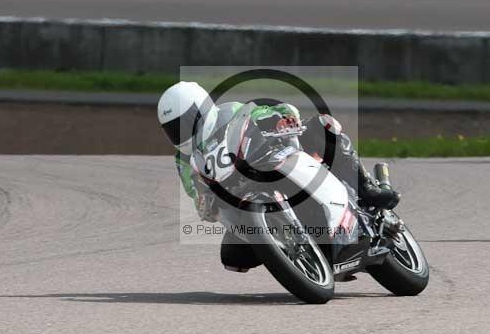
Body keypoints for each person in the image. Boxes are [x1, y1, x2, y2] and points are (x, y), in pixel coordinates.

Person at [157, 81, 400, 270]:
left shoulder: (231, 112)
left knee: (321, 126)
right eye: (173, 130)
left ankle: (367, 187)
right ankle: (291, 253)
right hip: (239, 198)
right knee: (233, 258)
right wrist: (202, 200)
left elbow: (268, 111)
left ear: (201, 109)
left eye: (184, 122)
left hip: (271, 161)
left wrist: (281, 118)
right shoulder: (183, 159)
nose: (180, 133)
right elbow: (193, 188)